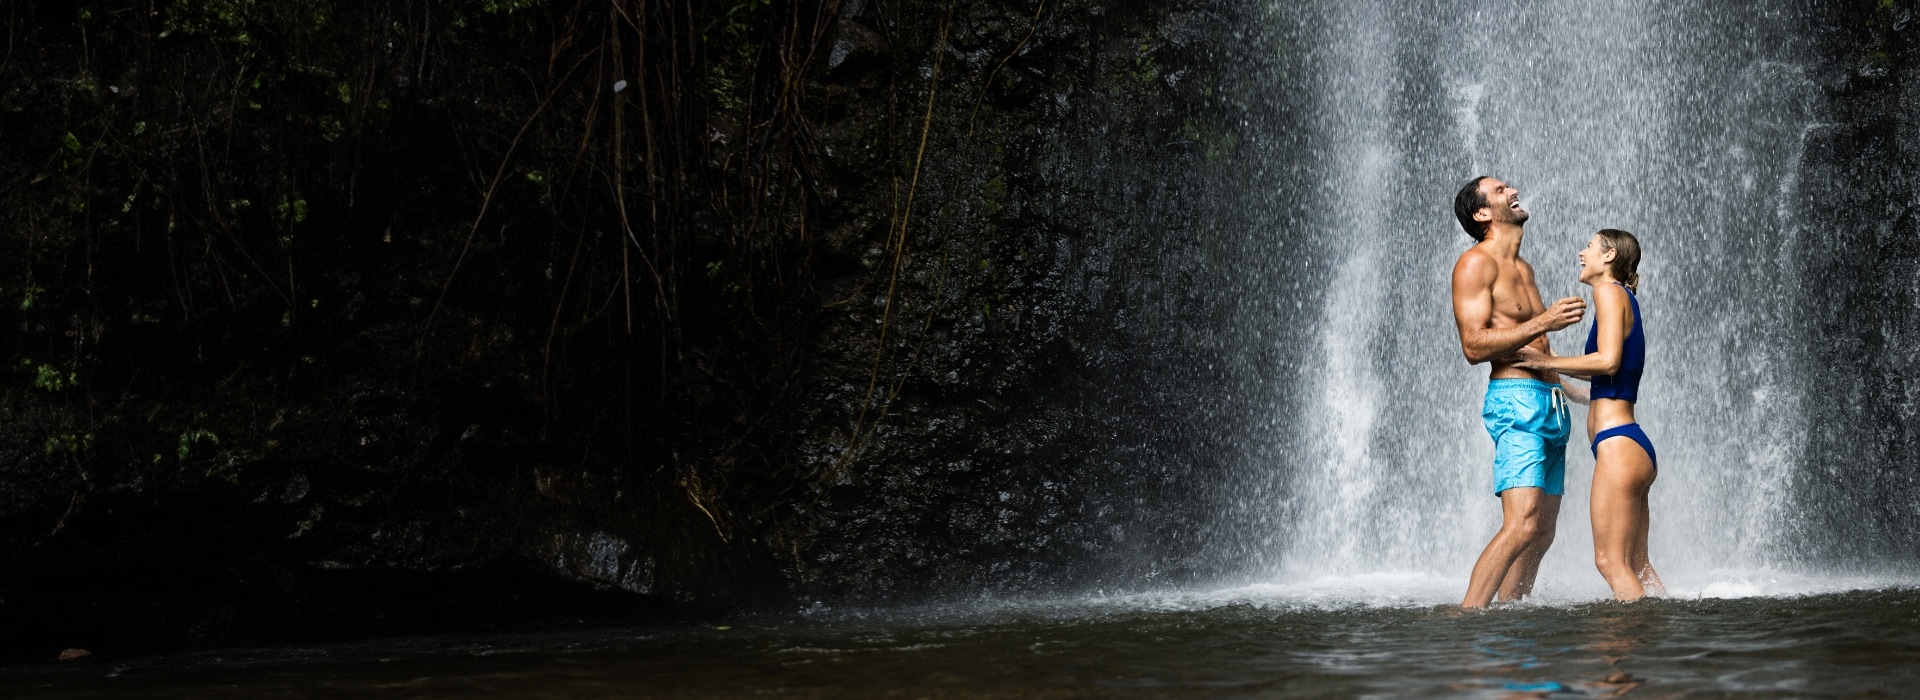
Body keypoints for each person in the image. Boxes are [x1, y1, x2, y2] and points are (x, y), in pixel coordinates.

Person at [1449, 176, 1587, 609]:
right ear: (1482, 213)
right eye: (1501, 189)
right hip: (1515, 402)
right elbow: (1474, 345)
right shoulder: (1475, 264)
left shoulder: (1523, 267)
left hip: (1551, 404)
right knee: (1521, 523)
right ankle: (1466, 619)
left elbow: (1530, 348)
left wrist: (1575, 389)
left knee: (1541, 533)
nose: (1513, 191)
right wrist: (1545, 321)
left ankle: (1511, 616)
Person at [1514, 229, 1665, 600]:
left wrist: (1547, 360)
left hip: (1618, 448)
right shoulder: (1625, 297)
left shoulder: (1608, 292)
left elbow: (1609, 362)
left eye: (1589, 247)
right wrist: (1561, 385)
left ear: (1609, 255)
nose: (1581, 253)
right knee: (1637, 564)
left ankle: (1622, 654)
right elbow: (1609, 384)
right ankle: (1665, 648)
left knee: (1610, 562)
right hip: (1633, 445)